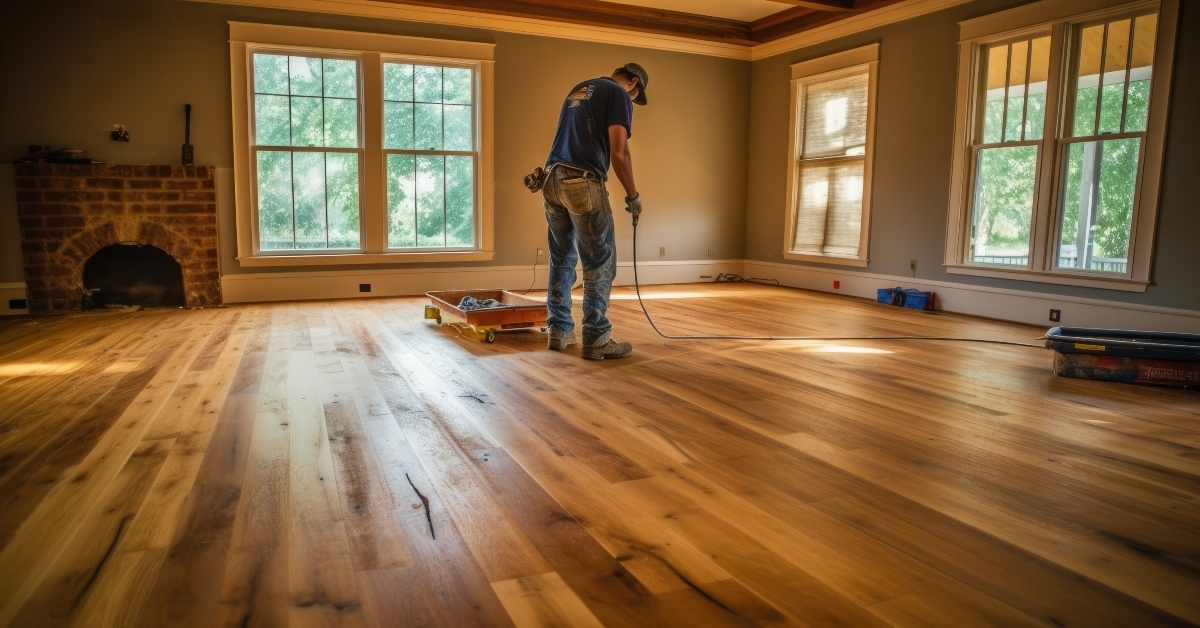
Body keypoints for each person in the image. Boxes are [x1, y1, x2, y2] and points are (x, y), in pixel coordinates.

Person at [541, 63, 648, 360]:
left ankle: (559, 330)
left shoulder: (581, 87)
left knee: (562, 257)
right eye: (635, 94)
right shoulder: (619, 94)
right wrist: (633, 195)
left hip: (551, 179)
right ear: (633, 83)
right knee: (599, 260)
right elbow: (619, 151)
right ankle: (596, 338)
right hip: (582, 182)